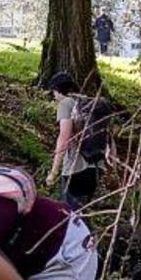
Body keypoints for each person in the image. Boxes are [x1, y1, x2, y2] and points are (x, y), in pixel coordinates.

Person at [47, 72, 103, 209]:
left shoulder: (66, 103)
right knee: (82, 213)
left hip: (75, 168)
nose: (54, 97)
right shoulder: (89, 102)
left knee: (70, 216)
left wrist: (54, 171)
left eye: (53, 93)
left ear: (57, 90)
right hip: (96, 166)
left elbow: (64, 137)